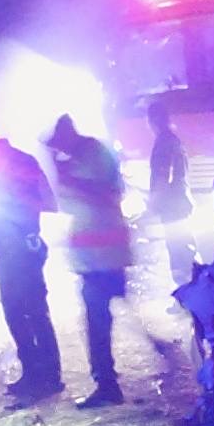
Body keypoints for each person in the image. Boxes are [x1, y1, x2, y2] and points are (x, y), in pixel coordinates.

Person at [0, 119, 63, 402]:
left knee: (30, 312)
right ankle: (36, 372)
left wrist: (11, 234)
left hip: (20, 249)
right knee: (18, 312)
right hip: (13, 248)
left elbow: (37, 203)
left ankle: (47, 376)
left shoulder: (12, 162)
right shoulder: (3, 163)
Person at [45, 114, 132, 409]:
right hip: (96, 255)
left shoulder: (92, 154)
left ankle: (107, 385)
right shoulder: (83, 157)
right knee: (106, 314)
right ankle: (109, 379)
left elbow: (107, 194)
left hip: (103, 254)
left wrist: (67, 177)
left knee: (97, 321)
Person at [146, 99, 195, 293]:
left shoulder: (163, 143)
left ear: (152, 121)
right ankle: (193, 289)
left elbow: (162, 177)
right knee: (184, 247)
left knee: (177, 250)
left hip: (172, 205)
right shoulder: (174, 140)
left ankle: (186, 293)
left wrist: (153, 203)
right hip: (181, 201)